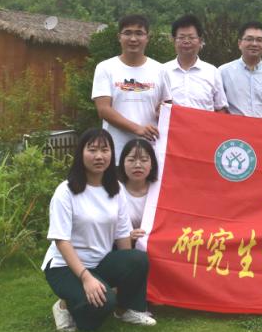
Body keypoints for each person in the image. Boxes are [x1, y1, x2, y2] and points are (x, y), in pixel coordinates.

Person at [43, 128, 156, 332]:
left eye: (105, 150)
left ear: (112, 153)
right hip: (65, 267)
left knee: (137, 258)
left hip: (100, 262)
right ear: (81, 153)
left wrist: (127, 273)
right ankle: (64, 306)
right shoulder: (65, 191)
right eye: (92, 150)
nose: (99, 156)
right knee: (103, 305)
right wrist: (86, 278)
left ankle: (126, 309)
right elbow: (61, 241)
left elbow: (122, 235)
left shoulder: (116, 189)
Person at [91, 14, 172, 162]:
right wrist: (137, 129)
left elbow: (168, 107)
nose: (133, 39)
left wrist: (163, 111)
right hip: (115, 151)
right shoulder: (105, 68)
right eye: (127, 33)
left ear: (147, 37)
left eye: (139, 33)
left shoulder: (160, 70)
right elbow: (103, 110)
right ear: (119, 37)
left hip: (150, 151)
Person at [163, 14, 228, 112]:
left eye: (191, 37)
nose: (186, 41)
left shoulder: (212, 72)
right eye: (181, 37)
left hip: (204, 122)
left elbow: (221, 108)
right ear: (173, 40)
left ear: (200, 40)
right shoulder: (162, 71)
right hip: (172, 122)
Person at [219, 21, 262, 119]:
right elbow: (220, 106)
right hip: (235, 127)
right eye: (249, 39)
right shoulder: (224, 72)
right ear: (239, 43)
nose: (254, 44)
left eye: (259, 40)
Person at [118, 137, 159, 248]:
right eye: (131, 160)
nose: (137, 165)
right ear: (123, 163)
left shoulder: (159, 190)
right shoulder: (115, 190)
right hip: (123, 250)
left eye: (144, 160)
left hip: (155, 248)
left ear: (152, 164)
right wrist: (126, 237)